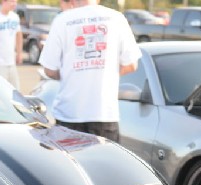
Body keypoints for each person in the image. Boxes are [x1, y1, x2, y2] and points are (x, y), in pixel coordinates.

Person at [38, 0, 141, 141]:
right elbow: (131, 64)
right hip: (103, 114)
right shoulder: (116, 18)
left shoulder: (62, 20)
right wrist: (104, 73)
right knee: (105, 163)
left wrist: (72, 74)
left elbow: (49, 70)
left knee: (68, 163)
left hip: (69, 114)